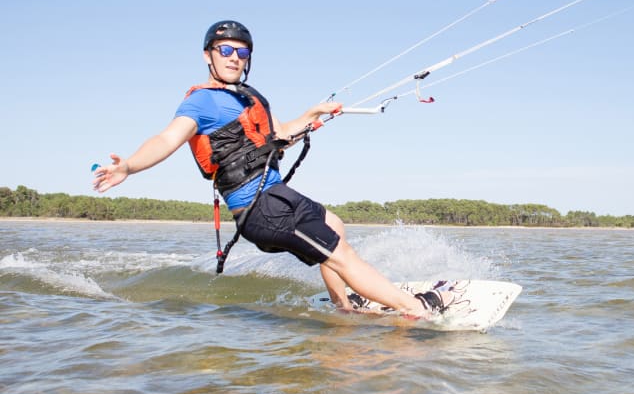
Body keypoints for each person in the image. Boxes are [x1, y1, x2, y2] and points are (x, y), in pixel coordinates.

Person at [92, 20, 453, 318]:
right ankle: (414, 309)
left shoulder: (250, 98)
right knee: (341, 255)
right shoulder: (202, 101)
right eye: (225, 50)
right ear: (208, 55)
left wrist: (313, 115)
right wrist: (130, 166)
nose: (234, 58)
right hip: (261, 210)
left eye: (241, 52)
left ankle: (344, 306)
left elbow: (280, 137)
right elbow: (167, 139)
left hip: (277, 196)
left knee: (335, 226)